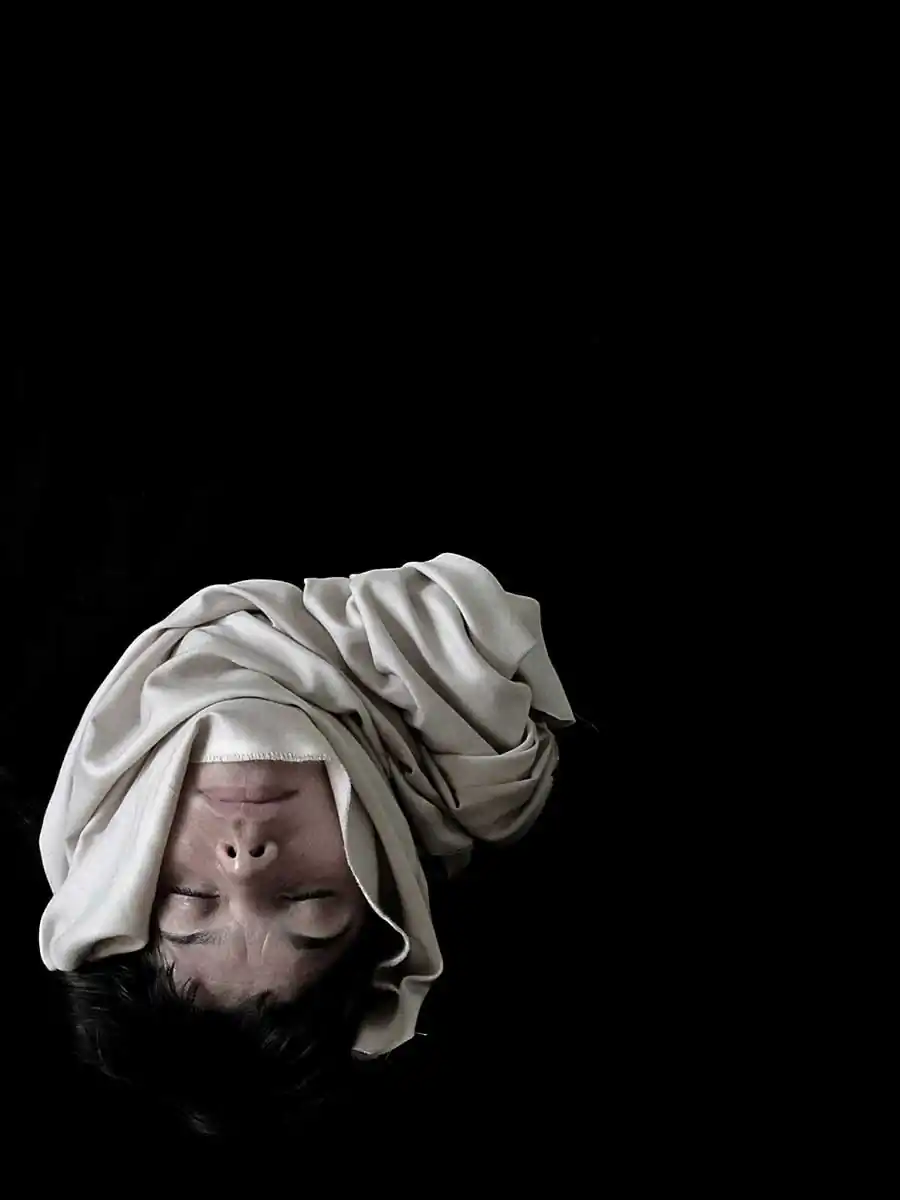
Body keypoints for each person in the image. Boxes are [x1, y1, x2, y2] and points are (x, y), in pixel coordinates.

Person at [34, 552, 575, 1138]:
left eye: (191, 898)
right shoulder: (495, 738)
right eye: (308, 901)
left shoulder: (46, 630)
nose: (244, 868)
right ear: (388, 884)